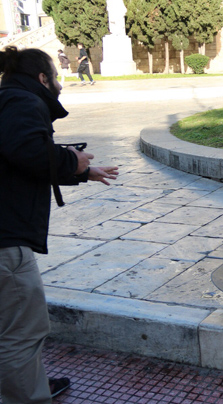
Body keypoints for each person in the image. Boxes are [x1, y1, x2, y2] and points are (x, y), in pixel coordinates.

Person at [0, 46, 118, 404]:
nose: (60, 84)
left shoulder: (7, 100)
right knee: (22, 329)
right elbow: (26, 151)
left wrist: (80, 171)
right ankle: (26, 396)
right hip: (6, 240)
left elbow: (15, 161)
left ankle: (27, 383)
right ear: (42, 78)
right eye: (55, 77)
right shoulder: (23, 102)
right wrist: (71, 159)